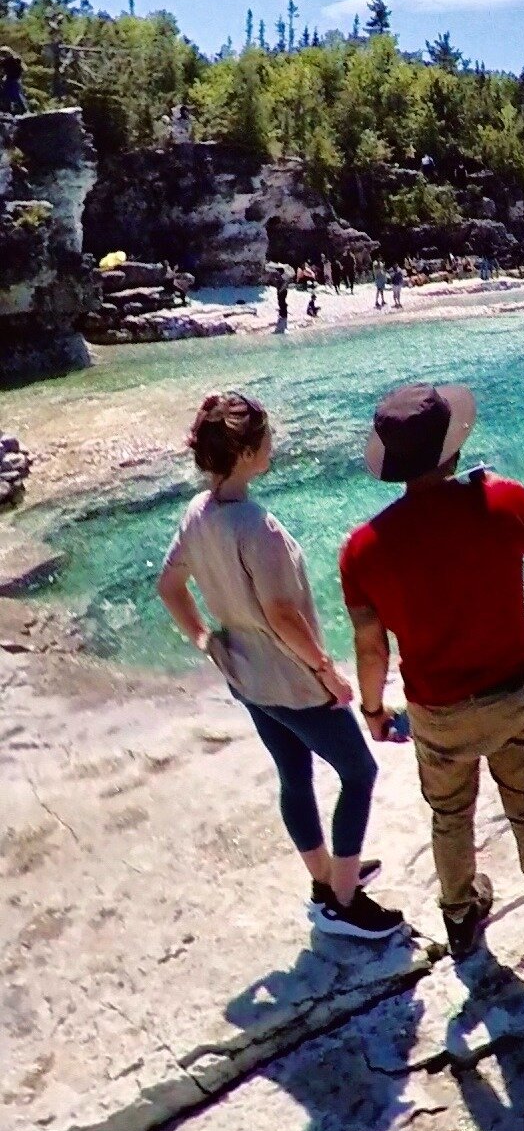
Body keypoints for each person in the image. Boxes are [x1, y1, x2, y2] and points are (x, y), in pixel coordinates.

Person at [339, 385, 524, 962]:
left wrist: (374, 711)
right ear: (453, 449)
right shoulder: (501, 499)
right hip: (511, 696)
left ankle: (460, 916)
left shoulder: (362, 549)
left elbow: (370, 646)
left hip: (436, 710)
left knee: (450, 816)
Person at [155, 393, 405, 940]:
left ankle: (325, 881)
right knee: (359, 772)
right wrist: (326, 671)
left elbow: (169, 585)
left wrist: (203, 638)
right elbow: (283, 614)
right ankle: (342, 903)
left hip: (246, 675)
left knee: (294, 775)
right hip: (292, 681)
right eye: (267, 436)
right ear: (246, 451)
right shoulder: (258, 528)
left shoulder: (196, 514)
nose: (275, 443)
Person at [1, 47, 28, 115]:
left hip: (13, 79)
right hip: (15, 79)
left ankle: (23, 110)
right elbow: (25, 69)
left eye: (3, 53)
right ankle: (22, 110)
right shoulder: (16, 58)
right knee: (15, 94)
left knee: (15, 94)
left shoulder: (9, 60)